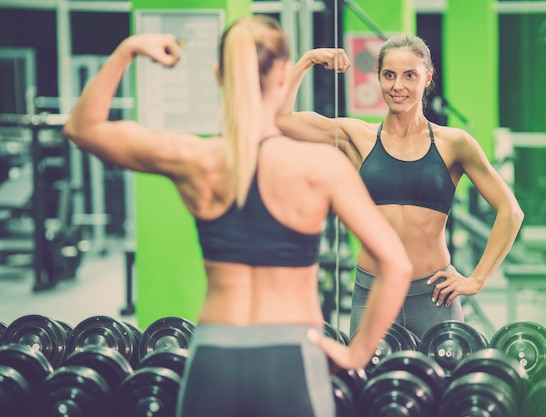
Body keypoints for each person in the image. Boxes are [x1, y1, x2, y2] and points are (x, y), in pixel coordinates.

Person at [63, 15, 412, 417]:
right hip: (290, 353)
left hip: (214, 353)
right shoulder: (319, 166)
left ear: (218, 74)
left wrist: (128, 49)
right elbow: (396, 264)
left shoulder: (194, 158)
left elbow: (82, 128)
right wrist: (357, 353)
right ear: (283, 74)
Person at [277, 34, 524, 340]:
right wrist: (307, 60)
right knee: (369, 385)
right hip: (374, 293)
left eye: (410, 76)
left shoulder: (454, 144)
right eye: (389, 75)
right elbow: (281, 119)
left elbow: (510, 211)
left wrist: (477, 279)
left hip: (434, 296)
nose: (398, 86)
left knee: (445, 385)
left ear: (427, 77)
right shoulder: (358, 136)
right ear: (378, 77)